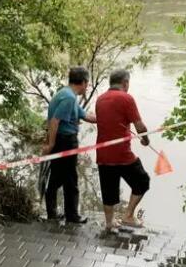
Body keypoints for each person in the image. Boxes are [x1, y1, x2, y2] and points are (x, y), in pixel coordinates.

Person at [95, 69, 150, 231]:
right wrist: (146, 140)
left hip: (103, 154)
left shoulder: (100, 99)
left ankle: (109, 223)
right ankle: (128, 215)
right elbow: (140, 126)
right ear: (125, 83)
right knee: (142, 181)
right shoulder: (126, 98)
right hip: (122, 154)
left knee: (108, 189)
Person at [42, 67, 96, 223]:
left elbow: (85, 116)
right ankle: (72, 215)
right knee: (70, 178)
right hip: (65, 141)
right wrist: (51, 144)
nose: (87, 87)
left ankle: (52, 212)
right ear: (84, 82)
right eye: (87, 83)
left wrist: (107, 118)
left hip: (63, 140)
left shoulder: (66, 93)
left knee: (57, 177)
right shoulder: (68, 98)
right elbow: (54, 121)